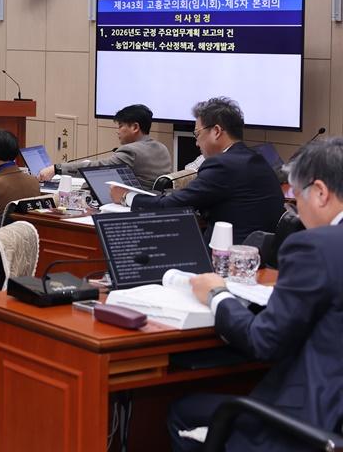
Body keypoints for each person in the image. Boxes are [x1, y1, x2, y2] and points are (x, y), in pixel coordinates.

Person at [167, 137, 343, 451]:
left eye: (294, 198)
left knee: (185, 412)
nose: (295, 210)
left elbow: (264, 341)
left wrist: (218, 294)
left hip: (313, 422)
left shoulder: (318, 246)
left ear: (319, 193)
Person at [109, 97, 284, 244]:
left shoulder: (222, 165)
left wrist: (126, 196)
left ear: (216, 131)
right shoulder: (257, 159)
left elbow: (172, 205)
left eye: (197, 134)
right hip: (258, 254)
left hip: (227, 257)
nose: (196, 143)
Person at [37, 104, 172, 187]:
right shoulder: (162, 148)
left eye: (120, 126)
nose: (117, 131)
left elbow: (98, 168)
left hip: (135, 206)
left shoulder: (131, 151)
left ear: (135, 127)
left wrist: (57, 168)